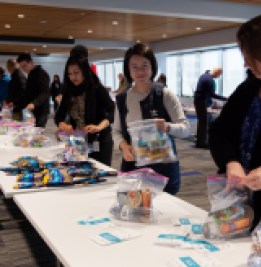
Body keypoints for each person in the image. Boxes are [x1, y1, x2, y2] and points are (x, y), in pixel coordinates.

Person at [209, 14, 261, 230]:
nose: (245, 63)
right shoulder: (248, 89)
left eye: (250, 56)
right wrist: (231, 161)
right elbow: (219, 133)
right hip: (237, 201)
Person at [113, 43, 190, 195]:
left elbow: (186, 129)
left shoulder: (165, 95)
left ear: (152, 66)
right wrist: (123, 146)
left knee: (164, 211)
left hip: (163, 167)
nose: (140, 71)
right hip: (133, 165)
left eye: (145, 65)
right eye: (134, 67)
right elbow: (116, 131)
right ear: (128, 70)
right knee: (134, 210)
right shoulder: (122, 99)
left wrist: (168, 127)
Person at [55, 55, 114, 166]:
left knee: (101, 173)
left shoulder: (96, 88)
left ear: (84, 71)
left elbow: (112, 111)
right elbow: (59, 116)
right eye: (70, 74)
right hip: (79, 142)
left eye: (76, 73)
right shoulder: (69, 91)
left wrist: (99, 127)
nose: (73, 77)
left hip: (99, 141)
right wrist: (62, 124)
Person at [194, 68, 227, 148]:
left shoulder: (204, 76)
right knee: (204, 122)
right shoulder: (209, 80)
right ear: (217, 72)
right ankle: (201, 143)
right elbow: (212, 94)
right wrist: (225, 98)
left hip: (198, 100)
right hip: (201, 101)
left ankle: (201, 140)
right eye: (219, 75)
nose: (218, 77)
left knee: (204, 121)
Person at [17, 53, 50, 127]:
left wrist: (34, 103)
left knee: (37, 133)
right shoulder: (31, 74)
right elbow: (29, 92)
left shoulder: (41, 74)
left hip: (41, 111)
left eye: (24, 66)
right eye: (21, 67)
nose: (24, 69)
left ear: (31, 62)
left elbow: (45, 92)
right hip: (33, 110)